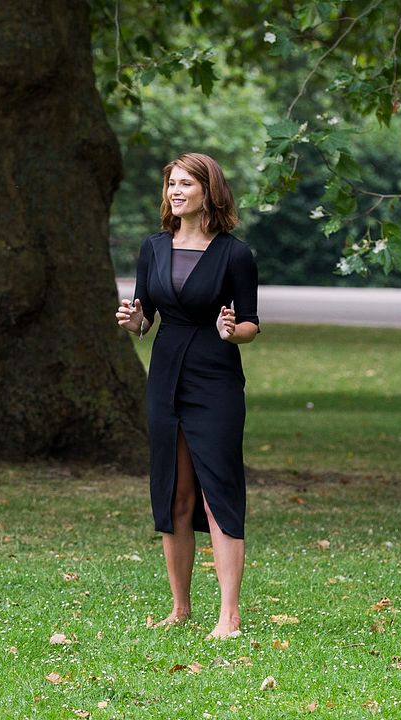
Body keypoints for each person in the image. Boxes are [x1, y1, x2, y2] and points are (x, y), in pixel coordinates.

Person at [116, 152, 260, 640]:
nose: (175, 192)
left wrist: (231, 330)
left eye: (185, 184)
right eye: (171, 184)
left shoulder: (235, 254)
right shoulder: (153, 248)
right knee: (174, 492)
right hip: (165, 377)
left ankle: (229, 615)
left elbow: (250, 325)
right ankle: (180, 609)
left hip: (215, 379)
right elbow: (145, 317)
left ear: (208, 191)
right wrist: (134, 322)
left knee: (218, 491)